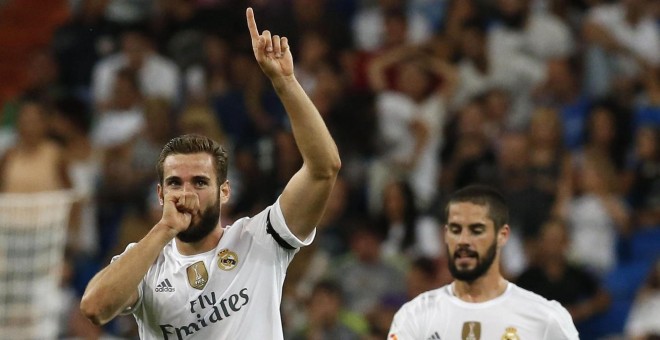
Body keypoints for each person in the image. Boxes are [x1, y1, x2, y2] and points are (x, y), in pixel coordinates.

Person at [80, 7, 341, 339]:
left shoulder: (260, 238)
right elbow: (94, 307)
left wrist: (285, 82)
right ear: (160, 194)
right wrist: (164, 229)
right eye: (175, 183)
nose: (186, 193)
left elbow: (323, 169)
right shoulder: (146, 263)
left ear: (225, 191)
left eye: (200, 182)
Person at [388, 185, 579, 339]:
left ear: (502, 236)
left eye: (476, 230)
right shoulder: (415, 315)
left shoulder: (545, 318)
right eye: (455, 230)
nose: (463, 240)